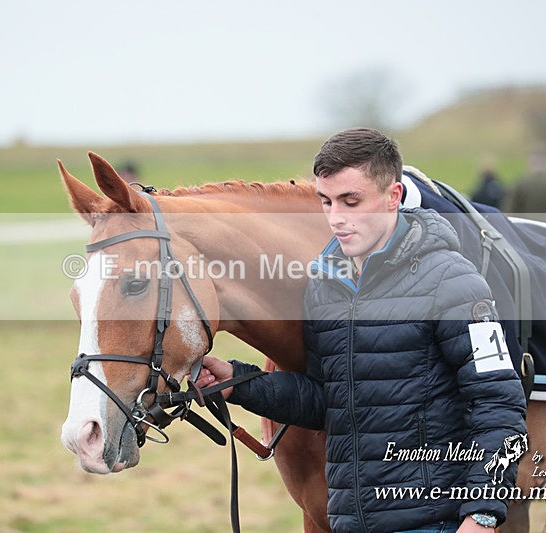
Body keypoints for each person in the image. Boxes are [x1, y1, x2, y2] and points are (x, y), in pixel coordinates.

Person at [196, 128, 527, 533]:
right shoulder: (325, 286)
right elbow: (326, 401)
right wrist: (239, 383)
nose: (336, 218)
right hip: (351, 522)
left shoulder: (454, 282)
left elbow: (500, 407)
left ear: (394, 197)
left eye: (351, 201)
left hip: (433, 522)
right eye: (327, 202)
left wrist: (483, 513)